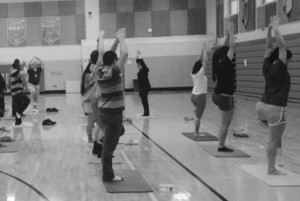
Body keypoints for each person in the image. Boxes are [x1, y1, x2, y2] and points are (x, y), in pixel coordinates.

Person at [256, 16, 292, 175]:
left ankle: (274, 157)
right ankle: (271, 168)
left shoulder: (267, 64)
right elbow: (282, 45)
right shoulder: (280, 66)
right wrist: (276, 27)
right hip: (275, 107)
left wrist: (269, 30)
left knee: (276, 134)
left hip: (261, 106)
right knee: (273, 139)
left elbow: (268, 47)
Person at [93, 28, 128, 182]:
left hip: (103, 112)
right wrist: (121, 39)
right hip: (113, 114)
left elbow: (102, 53)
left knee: (120, 130)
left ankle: (102, 141)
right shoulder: (113, 71)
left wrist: (102, 37)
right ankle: (108, 174)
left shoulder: (98, 70)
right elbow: (125, 54)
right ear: (114, 61)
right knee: (109, 148)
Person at [92, 31, 121, 158]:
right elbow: (103, 53)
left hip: (99, 100)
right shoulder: (98, 68)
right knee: (104, 128)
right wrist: (101, 37)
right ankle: (100, 149)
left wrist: (116, 41)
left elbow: (109, 53)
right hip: (100, 100)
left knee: (101, 126)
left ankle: (97, 147)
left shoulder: (102, 67)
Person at [212, 23, 236, 152]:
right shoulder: (226, 62)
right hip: (225, 97)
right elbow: (232, 46)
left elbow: (226, 46)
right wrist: (231, 31)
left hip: (216, 95)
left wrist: (227, 35)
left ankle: (221, 143)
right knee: (225, 124)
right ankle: (221, 145)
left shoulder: (217, 62)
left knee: (223, 123)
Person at [81, 51, 98, 143]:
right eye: (92, 66)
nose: (93, 67)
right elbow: (95, 73)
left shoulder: (95, 76)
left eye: (94, 66)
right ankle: (89, 137)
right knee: (90, 121)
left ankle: (96, 137)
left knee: (98, 121)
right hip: (89, 102)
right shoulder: (87, 76)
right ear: (88, 68)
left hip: (96, 101)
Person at [191, 43, 208, 136]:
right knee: (198, 116)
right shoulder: (201, 73)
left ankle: (196, 109)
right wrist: (205, 50)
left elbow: (198, 61)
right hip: (200, 97)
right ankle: (196, 132)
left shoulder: (193, 73)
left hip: (193, 96)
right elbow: (205, 61)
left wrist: (201, 49)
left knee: (197, 112)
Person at [10, 59, 30, 125]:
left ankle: (18, 121)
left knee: (19, 105)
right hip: (16, 92)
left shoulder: (15, 71)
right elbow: (24, 73)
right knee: (27, 100)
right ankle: (18, 112)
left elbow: (23, 74)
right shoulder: (14, 72)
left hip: (17, 92)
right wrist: (24, 66)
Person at [136, 49, 151, 116]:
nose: (138, 66)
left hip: (145, 87)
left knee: (145, 101)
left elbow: (142, 62)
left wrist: (139, 55)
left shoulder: (144, 69)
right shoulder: (140, 71)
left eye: (139, 65)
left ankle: (146, 113)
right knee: (143, 101)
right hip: (142, 88)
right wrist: (137, 56)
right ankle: (145, 112)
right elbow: (138, 62)